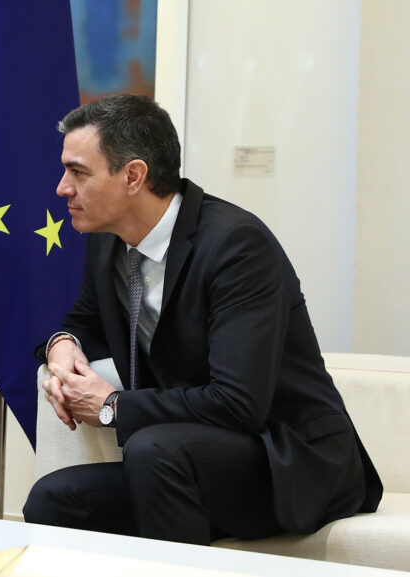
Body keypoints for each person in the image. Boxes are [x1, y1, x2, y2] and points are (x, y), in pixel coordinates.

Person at [23, 94, 381, 545]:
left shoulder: (236, 246)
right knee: (52, 499)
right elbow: (83, 321)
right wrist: (61, 345)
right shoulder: (110, 242)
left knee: (153, 451)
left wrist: (113, 407)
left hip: (287, 459)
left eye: (78, 172)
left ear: (133, 176)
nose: (62, 188)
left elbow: (238, 403)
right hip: (181, 458)